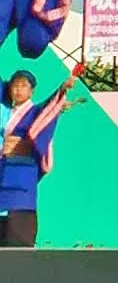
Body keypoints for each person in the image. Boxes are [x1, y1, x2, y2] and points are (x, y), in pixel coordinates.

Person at [0, 70, 75, 247]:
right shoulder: (5, 111)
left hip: (22, 172)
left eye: (23, 86)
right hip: (3, 168)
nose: (18, 90)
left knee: (18, 225)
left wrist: (62, 89)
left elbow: (48, 108)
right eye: (15, 85)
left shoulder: (34, 112)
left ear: (32, 90)